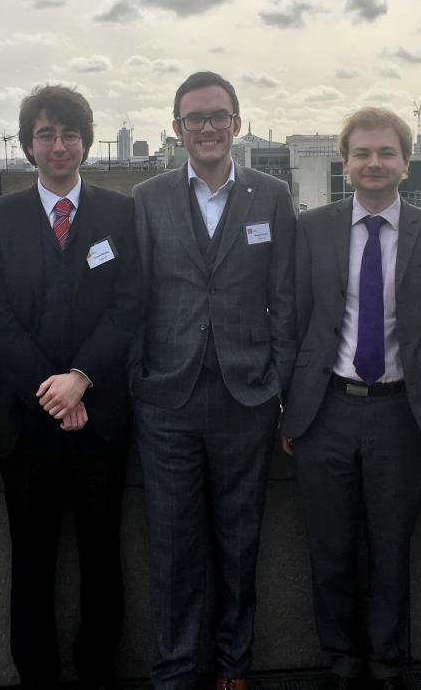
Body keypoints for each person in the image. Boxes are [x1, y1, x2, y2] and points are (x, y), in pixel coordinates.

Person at [282, 107, 421, 689]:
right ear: (345, 162)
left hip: (402, 412)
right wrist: (291, 410)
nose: (373, 163)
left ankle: (387, 663)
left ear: (407, 163)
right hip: (324, 409)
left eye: (386, 153)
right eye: (362, 153)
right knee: (329, 547)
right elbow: (295, 320)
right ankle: (340, 659)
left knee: (390, 549)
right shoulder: (312, 228)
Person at [130, 71, 296, 689]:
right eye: (194, 118)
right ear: (176, 128)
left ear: (237, 123)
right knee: (172, 546)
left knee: (239, 541)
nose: (207, 127)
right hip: (167, 398)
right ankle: (174, 672)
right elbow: (135, 297)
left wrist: (278, 383)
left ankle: (233, 667)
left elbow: (286, 298)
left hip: (245, 395)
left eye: (218, 116)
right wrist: (139, 378)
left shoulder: (271, 196)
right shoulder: (147, 197)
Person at [0, 85, 142, 690]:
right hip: (26, 422)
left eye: (69, 134)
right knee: (31, 555)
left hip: (100, 417)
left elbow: (129, 304)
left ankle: (98, 667)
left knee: (102, 551)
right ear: (28, 145)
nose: (58, 145)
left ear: (86, 143)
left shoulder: (121, 213)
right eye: (45, 135)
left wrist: (81, 379)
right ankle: (37, 674)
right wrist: (50, 391)